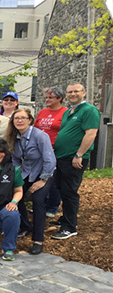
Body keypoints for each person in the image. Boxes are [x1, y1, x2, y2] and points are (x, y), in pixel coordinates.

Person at [51, 82, 100, 240]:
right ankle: (65, 218)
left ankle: (69, 227)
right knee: (62, 188)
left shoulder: (89, 111)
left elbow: (90, 134)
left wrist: (79, 155)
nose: (72, 94)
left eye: (76, 91)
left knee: (70, 192)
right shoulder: (68, 111)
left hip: (74, 159)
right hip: (61, 157)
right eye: (70, 92)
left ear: (84, 93)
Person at [5, 108, 56, 255]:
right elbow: (15, 158)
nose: (19, 121)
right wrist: (16, 174)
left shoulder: (40, 136)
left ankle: (38, 240)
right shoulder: (14, 137)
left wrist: (42, 180)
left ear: (30, 120)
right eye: (16, 118)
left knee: (38, 199)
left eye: (23, 118)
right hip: (26, 172)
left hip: (45, 172)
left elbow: (50, 160)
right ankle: (26, 226)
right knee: (14, 195)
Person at [34, 87, 67, 218]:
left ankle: (52, 207)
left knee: (53, 179)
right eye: (46, 97)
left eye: (50, 97)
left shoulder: (65, 112)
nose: (47, 100)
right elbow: (36, 128)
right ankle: (41, 203)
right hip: (39, 150)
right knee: (41, 177)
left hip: (55, 149)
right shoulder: (42, 112)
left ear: (59, 98)